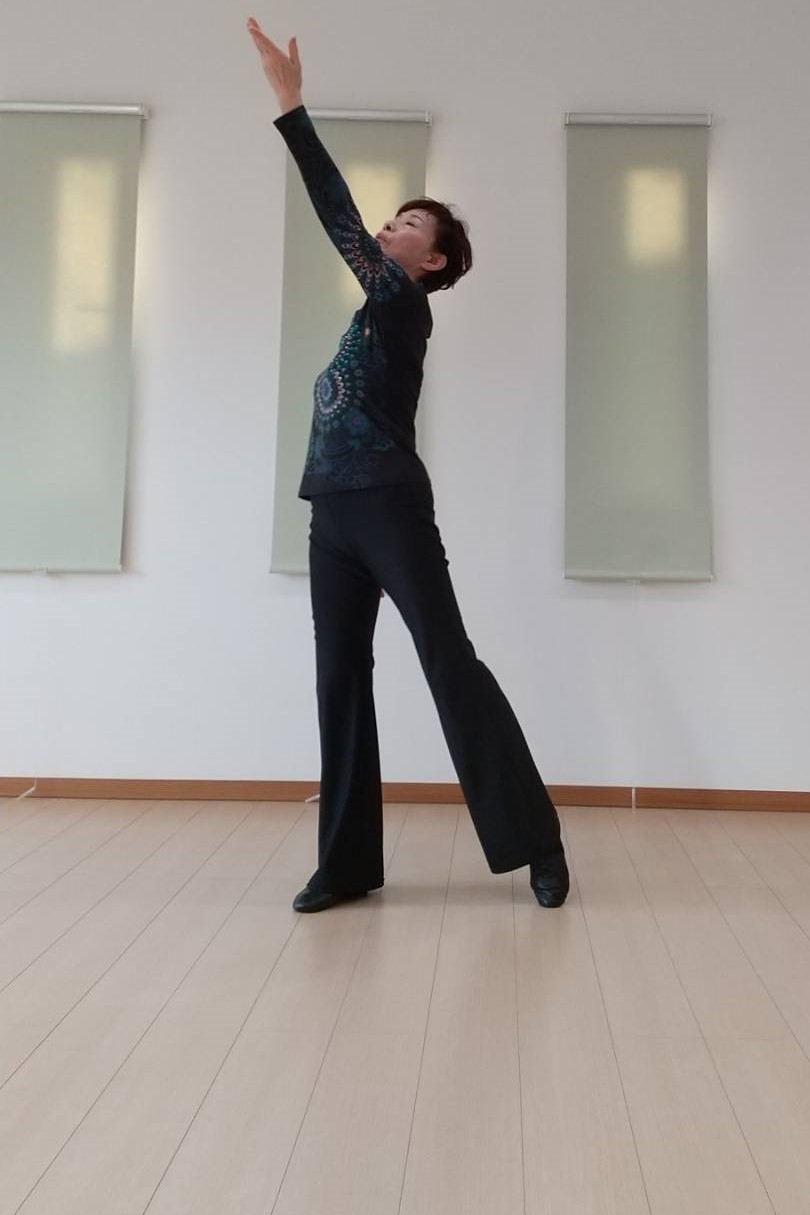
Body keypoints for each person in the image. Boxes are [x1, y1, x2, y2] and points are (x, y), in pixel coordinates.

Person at [247, 18, 569, 912]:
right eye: (394, 218)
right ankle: (347, 863)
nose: (389, 228)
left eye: (408, 226)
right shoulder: (369, 317)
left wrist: (291, 106)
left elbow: (337, 217)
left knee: (446, 661)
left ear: (431, 262)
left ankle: (536, 840)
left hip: (389, 507)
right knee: (339, 678)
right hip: (332, 515)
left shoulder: (400, 305)